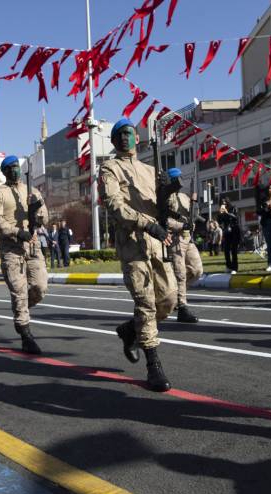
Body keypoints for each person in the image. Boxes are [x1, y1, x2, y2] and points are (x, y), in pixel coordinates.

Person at [98, 118, 176, 392]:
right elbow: (113, 204)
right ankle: (153, 364)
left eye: (128, 133)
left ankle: (130, 329)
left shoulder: (149, 169)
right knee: (146, 302)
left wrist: (170, 190)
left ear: (137, 139)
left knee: (167, 299)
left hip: (156, 242)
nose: (124, 138)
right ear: (113, 141)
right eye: (119, 135)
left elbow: (165, 209)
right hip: (133, 242)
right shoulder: (109, 168)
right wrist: (146, 223)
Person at [0, 155, 48, 355]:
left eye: (16, 167)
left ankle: (20, 309)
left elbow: (45, 217)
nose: (14, 170)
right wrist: (15, 231)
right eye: (9, 168)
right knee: (19, 291)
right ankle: (25, 334)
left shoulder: (32, 190)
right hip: (11, 248)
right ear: (4, 172)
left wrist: (36, 208)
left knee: (40, 287)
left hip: (32, 246)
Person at [165, 168, 203, 323]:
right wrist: (181, 226)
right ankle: (182, 307)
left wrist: (194, 202)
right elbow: (164, 220)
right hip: (175, 239)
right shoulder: (166, 197)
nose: (179, 182)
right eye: (176, 179)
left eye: (180, 178)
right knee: (180, 274)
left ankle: (174, 295)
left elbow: (192, 216)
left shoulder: (183, 196)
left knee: (196, 270)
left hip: (188, 239)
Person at [218, 198, 240, 273]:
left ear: (228, 202)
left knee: (234, 250)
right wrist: (220, 214)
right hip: (227, 231)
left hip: (234, 230)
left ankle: (234, 268)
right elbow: (219, 222)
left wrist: (227, 213)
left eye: (224, 201)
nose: (223, 203)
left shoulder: (233, 208)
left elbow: (236, 217)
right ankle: (228, 266)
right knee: (226, 250)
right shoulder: (222, 210)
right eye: (222, 202)